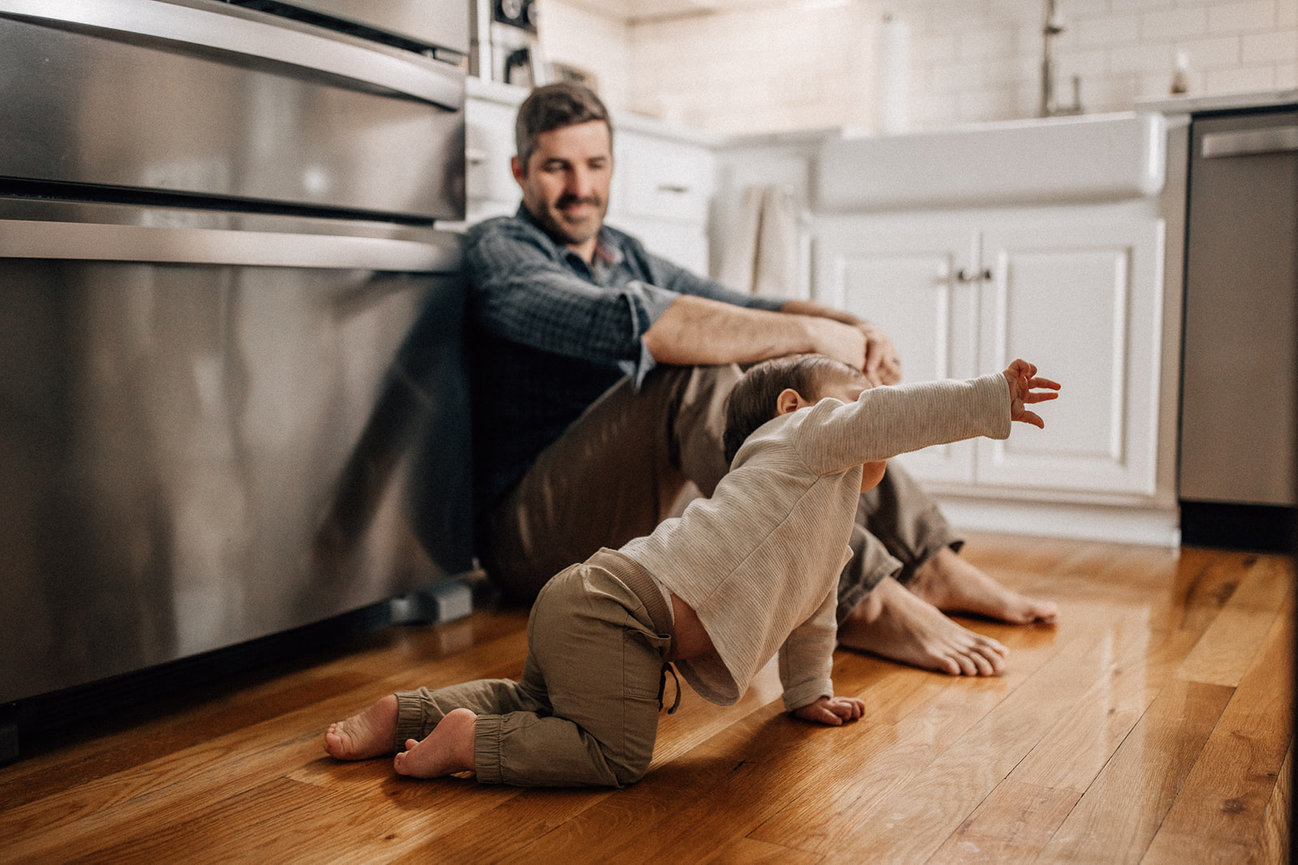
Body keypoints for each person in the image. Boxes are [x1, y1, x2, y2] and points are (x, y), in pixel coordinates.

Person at [463, 81, 1057, 679]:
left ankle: (926, 561)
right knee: (695, 372)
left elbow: (742, 304)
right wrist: (816, 336)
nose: (580, 188)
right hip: (532, 533)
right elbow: (639, 325)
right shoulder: (500, 249)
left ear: (613, 166)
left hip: (636, 509)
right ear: (519, 171)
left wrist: (849, 326)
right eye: (556, 168)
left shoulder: (621, 251)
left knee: (800, 385)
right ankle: (862, 598)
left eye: (594, 165)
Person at [323, 356, 1060, 786]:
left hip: (594, 602)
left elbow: (813, 618)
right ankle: (468, 746)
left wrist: (811, 692)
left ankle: (407, 716)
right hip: (619, 611)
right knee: (615, 753)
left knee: (534, 700)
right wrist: (988, 400)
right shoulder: (800, 439)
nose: (868, 410)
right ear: (795, 407)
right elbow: (894, 417)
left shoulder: (821, 529)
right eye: (855, 395)